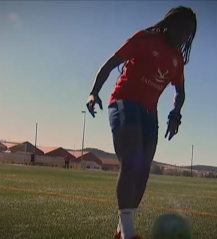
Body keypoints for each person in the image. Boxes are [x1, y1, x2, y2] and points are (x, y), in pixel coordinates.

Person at [86, 6, 197, 239]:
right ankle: (128, 232)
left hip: (149, 112)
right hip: (124, 101)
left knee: (143, 171)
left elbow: (180, 91)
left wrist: (175, 113)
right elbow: (108, 65)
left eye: (188, 34)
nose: (183, 36)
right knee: (131, 162)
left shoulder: (177, 59)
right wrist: (93, 92)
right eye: (180, 29)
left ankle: (121, 229)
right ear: (168, 23)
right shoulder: (144, 39)